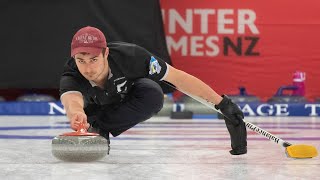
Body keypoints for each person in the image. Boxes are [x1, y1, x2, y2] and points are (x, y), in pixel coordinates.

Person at [60, 26, 247, 155]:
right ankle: (96, 127)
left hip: (126, 100)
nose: (88, 69)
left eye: (93, 60)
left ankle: (102, 127)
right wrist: (77, 114)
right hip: (95, 109)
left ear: (106, 53)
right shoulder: (72, 73)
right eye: (81, 61)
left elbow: (179, 78)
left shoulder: (133, 57)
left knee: (152, 92)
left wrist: (223, 104)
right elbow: (72, 99)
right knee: (85, 105)